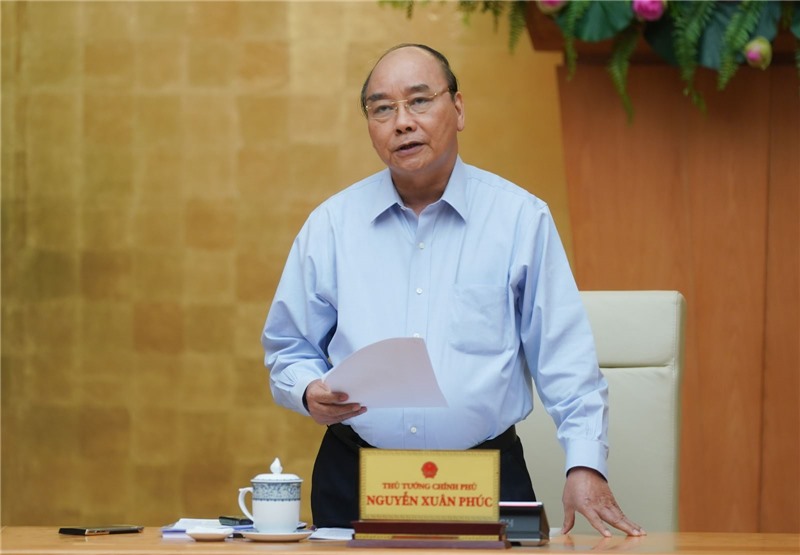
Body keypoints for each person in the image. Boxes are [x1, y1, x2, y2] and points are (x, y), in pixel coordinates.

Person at [262, 43, 644, 537]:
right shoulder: (331, 225)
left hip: (485, 478)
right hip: (356, 476)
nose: (402, 122)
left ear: (458, 109)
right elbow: (288, 347)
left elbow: (564, 357)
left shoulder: (519, 219)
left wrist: (585, 464)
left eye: (420, 101)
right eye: (382, 109)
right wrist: (307, 389)